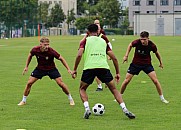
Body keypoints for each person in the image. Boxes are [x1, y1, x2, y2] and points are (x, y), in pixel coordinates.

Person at [72, 24, 135, 119]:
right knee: (114, 90)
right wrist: (117, 73)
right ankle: (125, 109)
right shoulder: (103, 41)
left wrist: (75, 69)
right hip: (103, 68)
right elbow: (114, 58)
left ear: (87, 32)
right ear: (98, 31)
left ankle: (87, 109)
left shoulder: (85, 41)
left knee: (82, 89)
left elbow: (79, 55)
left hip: (89, 68)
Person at [18, 37, 75, 106]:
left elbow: (61, 58)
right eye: (45, 45)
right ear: (40, 44)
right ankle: (23, 100)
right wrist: (26, 66)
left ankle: (71, 99)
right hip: (40, 69)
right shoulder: (35, 50)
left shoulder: (51, 51)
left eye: (48, 44)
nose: (47, 46)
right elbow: (30, 55)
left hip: (51, 69)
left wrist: (68, 69)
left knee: (61, 84)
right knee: (29, 83)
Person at [120, 31, 169, 104]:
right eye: (141, 39)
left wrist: (160, 62)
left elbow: (157, 53)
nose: (142, 41)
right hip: (135, 64)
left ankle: (162, 98)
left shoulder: (152, 45)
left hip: (147, 64)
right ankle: (119, 96)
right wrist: (126, 55)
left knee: (155, 81)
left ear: (148, 39)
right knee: (126, 80)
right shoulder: (137, 42)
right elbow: (130, 45)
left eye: (144, 39)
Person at [80, 19, 112, 91]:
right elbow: (81, 42)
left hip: (101, 56)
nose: (97, 25)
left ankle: (106, 83)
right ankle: (100, 85)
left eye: (98, 23)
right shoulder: (89, 34)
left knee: (100, 70)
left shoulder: (102, 35)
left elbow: (109, 44)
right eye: (96, 23)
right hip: (92, 56)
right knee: (96, 71)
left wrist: (109, 54)